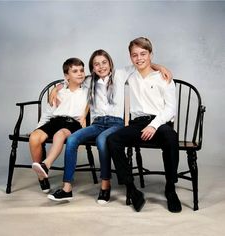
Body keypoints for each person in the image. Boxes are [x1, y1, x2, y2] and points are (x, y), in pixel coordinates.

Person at [47, 49, 172, 204]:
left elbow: (141, 64)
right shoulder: (89, 80)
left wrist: (160, 68)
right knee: (72, 139)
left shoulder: (120, 74)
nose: (101, 67)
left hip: (116, 123)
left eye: (104, 62)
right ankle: (67, 189)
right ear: (92, 68)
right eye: (96, 64)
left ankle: (105, 185)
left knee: (102, 140)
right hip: (98, 123)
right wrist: (57, 87)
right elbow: (72, 79)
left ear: (110, 63)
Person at [107, 37, 182, 213]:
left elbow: (171, 109)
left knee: (171, 137)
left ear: (151, 54)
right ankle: (132, 189)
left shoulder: (164, 78)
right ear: (130, 57)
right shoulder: (127, 73)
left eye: (143, 54)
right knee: (113, 140)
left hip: (160, 122)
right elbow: (98, 74)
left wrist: (154, 125)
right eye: (135, 55)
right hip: (137, 124)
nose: (139, 58)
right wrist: (61, 86)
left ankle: (170, 188)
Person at [29, 58, 89, 194]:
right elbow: (48, 113)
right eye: (75, 71)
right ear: (67, 76)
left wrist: (58, 85)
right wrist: (38, 128)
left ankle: (46, 165)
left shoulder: (87, 90)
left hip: (72, 123)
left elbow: (95, 77)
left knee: (59, 134)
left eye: (81, 70)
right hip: (55, 120)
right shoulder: (60, 92)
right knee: (34, 137)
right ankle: (41, 176)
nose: (80, 73)